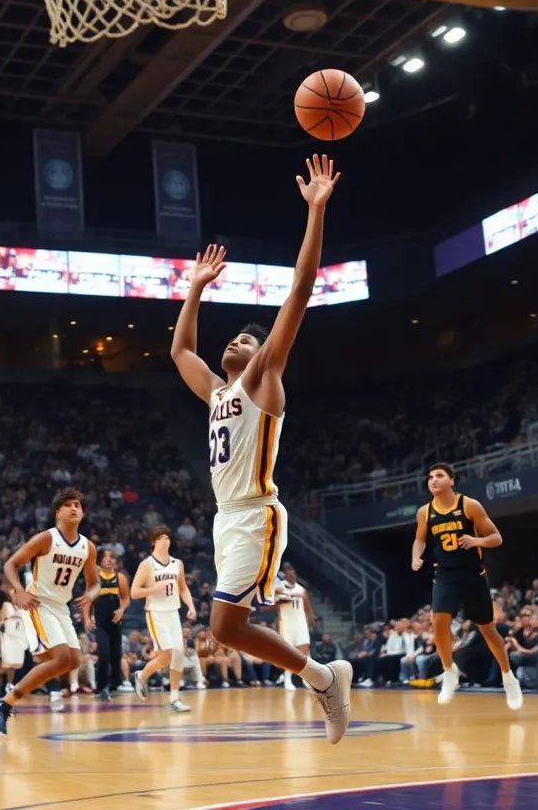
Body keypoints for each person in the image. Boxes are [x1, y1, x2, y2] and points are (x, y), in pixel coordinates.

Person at [168, 154, 353, 744]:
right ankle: (325, 677)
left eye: (248, 337)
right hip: (228, 520)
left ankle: (324, 679)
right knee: (226, 627)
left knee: (225, 625)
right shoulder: (220, 393)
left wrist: (316, 212)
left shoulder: (263, 380)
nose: (238, 339)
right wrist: (194, 289)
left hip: (256, 513)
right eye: (237, 335)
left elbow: (300, 289)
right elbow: (179, 353)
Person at [0, 488, 100, 736]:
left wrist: (91, 595)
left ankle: (13, 697)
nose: (75, 508)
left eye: (78, 505)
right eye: (69, 505)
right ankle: (5, 702)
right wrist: (19, 590)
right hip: (39, 604)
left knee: (73, 661)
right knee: (60, 658)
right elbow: (11, 564)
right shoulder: (46, 538)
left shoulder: (88, 547)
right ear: (58, 512)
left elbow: (95, 582)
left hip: (61, 607)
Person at [411, 463, 522, 710]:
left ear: (451, 481)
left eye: (439, 476)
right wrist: (415, 556)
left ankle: (508, 677)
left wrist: (476, 540)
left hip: (472, 574)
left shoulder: (469, 505)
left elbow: (496, 538)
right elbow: (419, 540)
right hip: (445, 575)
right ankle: (449, 671)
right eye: (430, 477)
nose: (433, 480)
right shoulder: (424, 512)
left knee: (488, 630)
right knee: (438, 620)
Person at [129, 525, 196, 712]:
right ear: (153, 542)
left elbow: (183, 588)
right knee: (166, 656)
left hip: (173, 612)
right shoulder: (147, 564)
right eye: (160, 537)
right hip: (155, 613)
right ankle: (142, 675)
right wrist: (154, 589)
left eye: (167, 536)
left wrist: (190, 606)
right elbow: (134, 592)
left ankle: (174, 698)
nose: (165, 539)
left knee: (179, 654)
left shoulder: (177, 564)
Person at [90, 548, 129, 702]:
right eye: (104, 557)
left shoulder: (120, 578)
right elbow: (88, 601)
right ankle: (101, 687)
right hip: (100, 623)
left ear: (115, 560)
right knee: (104, 653)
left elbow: (126, 598)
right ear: (100, 560)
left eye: (110, 557)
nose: (107, 560)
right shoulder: (95, 578)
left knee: (116, 655)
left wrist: (121, 609)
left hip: (115, 622)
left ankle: (114, 685)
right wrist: (87, 618)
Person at [274, 563, 317, 691]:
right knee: (289, 653)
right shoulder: (278, 587)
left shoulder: (301, 589)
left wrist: (311, 617)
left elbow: (306, 603)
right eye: (288, 569)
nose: (292, 572)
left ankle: (305, 679)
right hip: (287, 623)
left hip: (300, 622)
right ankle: (287, 679)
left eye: (292, 569)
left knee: (304, 652)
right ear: (284, 573)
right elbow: (273, 604)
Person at [0, 591, 28, 689]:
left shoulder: (23, 608)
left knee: (15, 664)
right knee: (7, 663)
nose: (14, 597)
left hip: (19, 637)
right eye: (13, 596)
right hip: (8, 637)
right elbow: (1, 622)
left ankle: (9, 684)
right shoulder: (6, 605)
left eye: (16, 595)